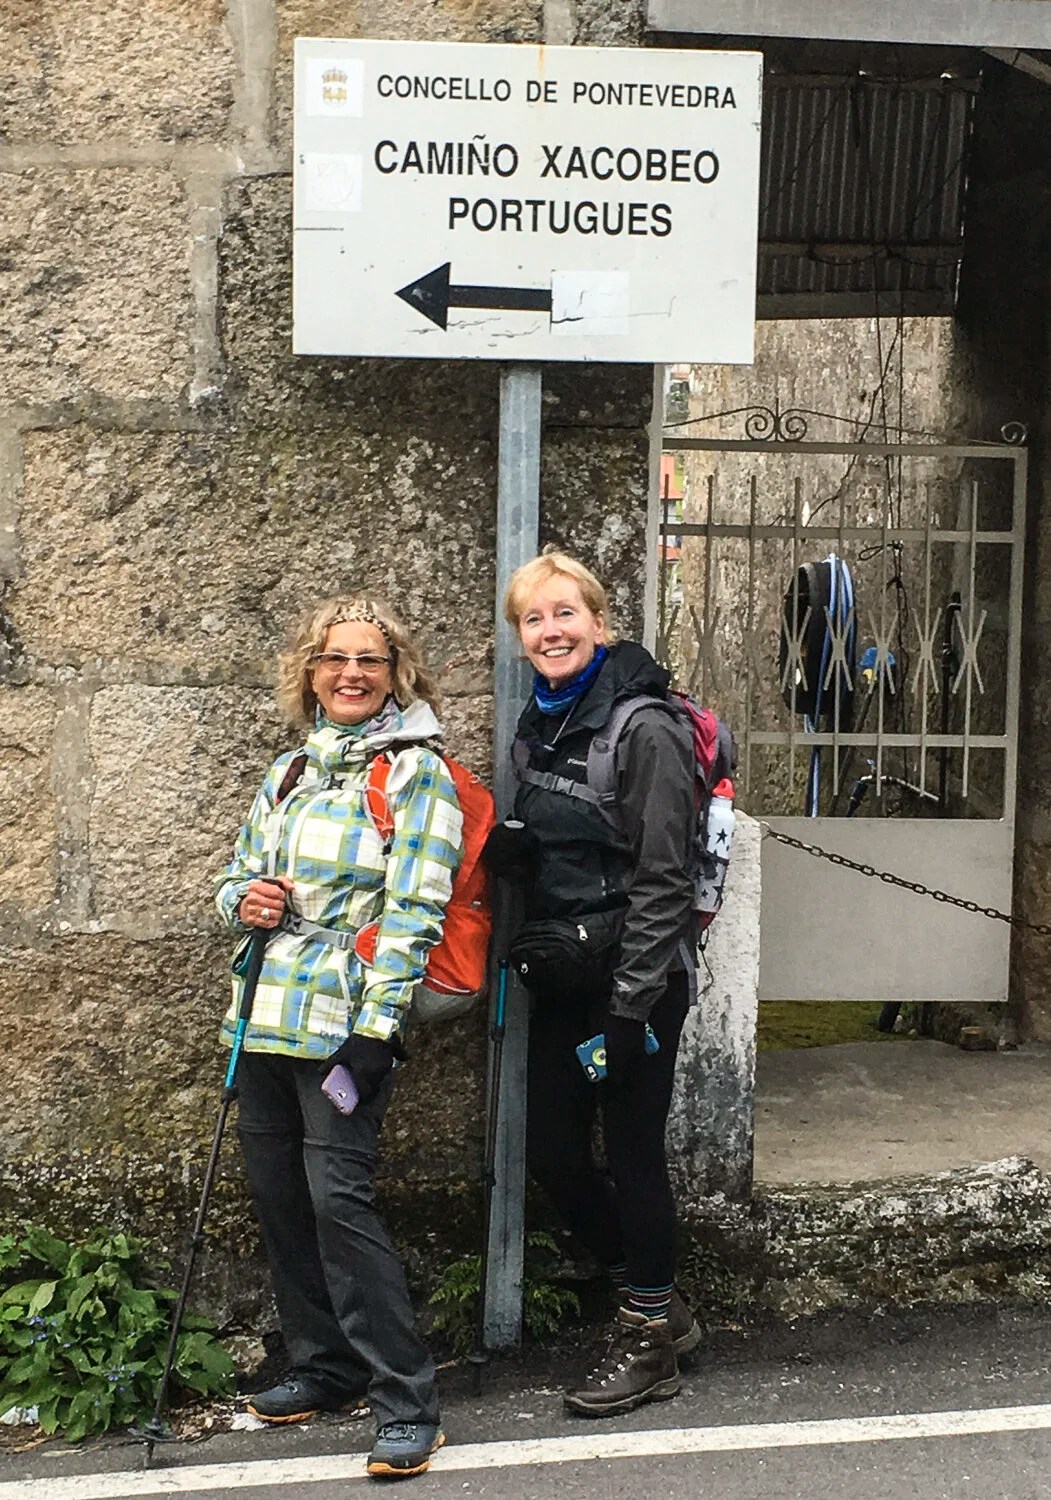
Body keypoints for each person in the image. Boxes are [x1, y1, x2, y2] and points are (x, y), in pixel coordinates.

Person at [214, 596, 463, 1480]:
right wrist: (242, 900)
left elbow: (415, 914)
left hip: (340, 1032)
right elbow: (236, 875)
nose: (350, 673)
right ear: (309, 672)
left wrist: (376, 1033)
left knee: (339, 1205)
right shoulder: (287, 771)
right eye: (333, 658)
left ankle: (407, 1401)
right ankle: (324, 1365)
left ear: (397, 674)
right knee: (282, 1200)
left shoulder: (415, 774)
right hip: (261, 1020)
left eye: (370, 660)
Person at [489, 549, 702, 1418]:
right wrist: (520, 852)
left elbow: (665, 880)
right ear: (520, 638)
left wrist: (629, 1008)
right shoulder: (540, 722)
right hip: (565, 971)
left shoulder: (642, 728)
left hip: (635, 983)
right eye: (533, 620)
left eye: (564, 614)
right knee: (554, 1156)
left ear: (599, 624)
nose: (550, 631)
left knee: (634, 1152)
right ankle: (651, 1299)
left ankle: (648, 1336)